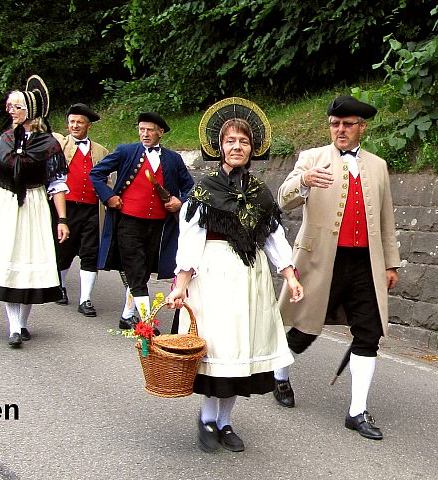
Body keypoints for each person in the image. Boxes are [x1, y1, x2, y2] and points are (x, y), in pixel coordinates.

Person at [165, 98, 303, 453]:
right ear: (219, 147)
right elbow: (190, 239)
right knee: (218, 347)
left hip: (249, 277)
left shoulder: (260, 193)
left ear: (252, 148)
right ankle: (208, 418)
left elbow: (274, 237)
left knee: (243, 347)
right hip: (212, 275)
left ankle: (226, 422)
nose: (237, 147)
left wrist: (289, 275)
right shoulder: (204, 190)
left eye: (243, 141)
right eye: (230, 141)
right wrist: (181, 283)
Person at [272, 95, 401, 441]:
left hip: (365, 264)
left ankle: (357, 411)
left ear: (362, 127)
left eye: (347, 124)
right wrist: (304, 182)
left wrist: (391, 263)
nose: (339, 130)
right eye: (334, 124)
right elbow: (283, 199)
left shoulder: (378, 166)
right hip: (319, 260)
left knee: (369, 333)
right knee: (305, 328)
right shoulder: (311, 158)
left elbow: (386, 220)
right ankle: (280, 374)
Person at [0, 75, 69, 348]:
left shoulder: (49, 144)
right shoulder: (2, 140)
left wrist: (61, 219)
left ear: (30, 112)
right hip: (5, 203)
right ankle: (14, 326)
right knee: (6, 261)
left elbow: (57, 183)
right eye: (9, 105)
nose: (9, 110)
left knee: (29, 262)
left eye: (15, 106)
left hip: (34, 204)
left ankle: (22, 322)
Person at [90, 112, 194, 329]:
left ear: (160, 132)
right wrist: (108, 197)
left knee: (143, 270)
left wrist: (180, 201)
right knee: (136, 270)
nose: (144, 134)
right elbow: (96, 174)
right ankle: (147, 323)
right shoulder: (126, 151)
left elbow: (191, 187)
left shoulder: (173, 159)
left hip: (159, 225)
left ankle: (127, 315)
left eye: (149, 130)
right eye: (141, 129)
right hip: (128, 222)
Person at [51, 103, 109, 316]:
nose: (75, 126)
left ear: (88, 126)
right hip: (67, 207)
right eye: (72, 122)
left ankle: (85, 299)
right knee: (64, 249)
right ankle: (61, 286)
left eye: (80, 122)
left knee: (90, 252)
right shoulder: (60, 144)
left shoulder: (101, 151)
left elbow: (107, 179)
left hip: (92, 208)